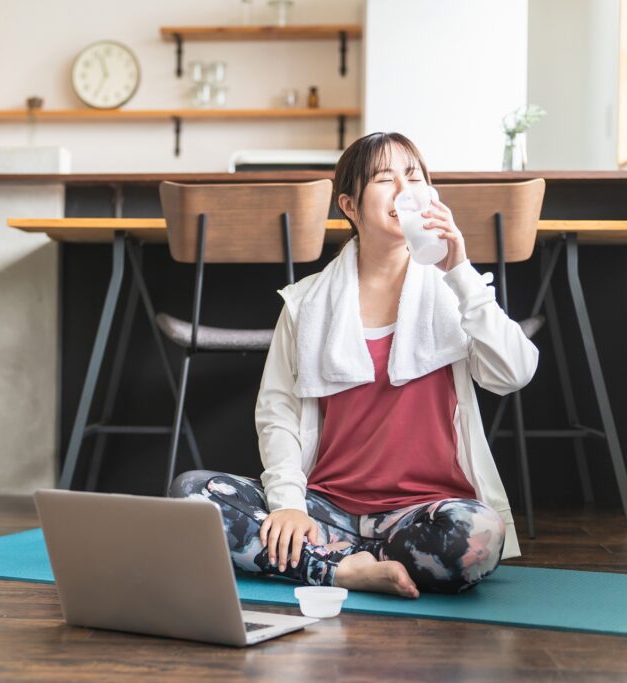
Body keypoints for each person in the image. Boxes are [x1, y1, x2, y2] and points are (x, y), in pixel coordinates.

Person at [169, 132, 539, 597]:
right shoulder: (307, 303)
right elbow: (277, 411)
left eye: (415, 175)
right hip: (326, 510)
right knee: (194, 496)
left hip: (421, 513)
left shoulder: (454, 291)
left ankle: (320, 563)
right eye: (386, 178)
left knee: (478, 535)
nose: (405, 189)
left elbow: (515, 373)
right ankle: (347, 570)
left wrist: (461, 270)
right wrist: (288, 506)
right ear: (349, 205)